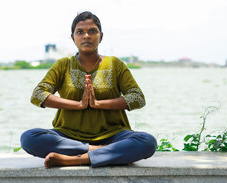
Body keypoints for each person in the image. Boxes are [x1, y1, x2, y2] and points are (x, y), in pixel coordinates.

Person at [20, 11, 157, 168]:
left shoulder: (115, 65)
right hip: (68, 137)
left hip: (113, 135)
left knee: (147, 142)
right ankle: (104, 152)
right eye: (80, 32)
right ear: (73, 38)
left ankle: (74, 159)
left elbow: (137, 98)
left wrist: (98, 104)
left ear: (101, 36)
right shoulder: (63, 65)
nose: (86, 36)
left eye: (92, 31)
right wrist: (79, 105)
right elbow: (38, 95)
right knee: (29, 137)